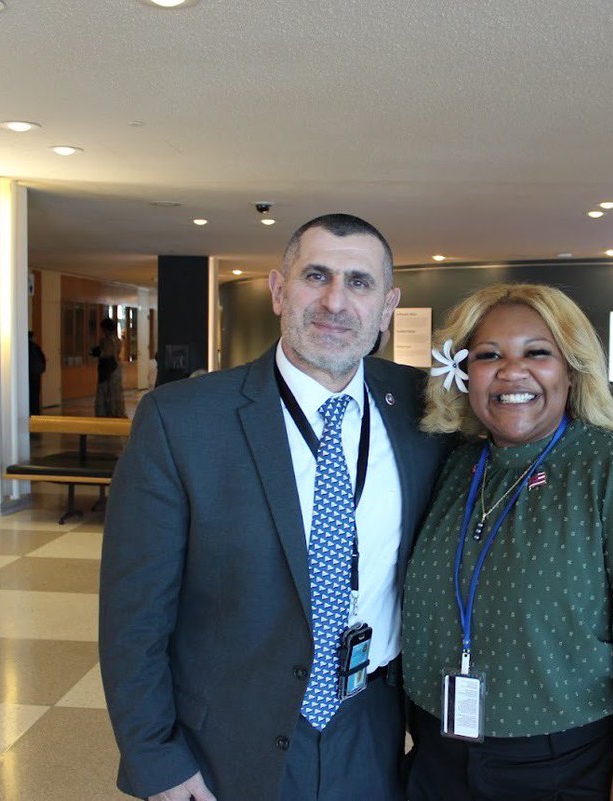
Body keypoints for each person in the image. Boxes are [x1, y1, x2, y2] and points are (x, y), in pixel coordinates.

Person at [99, 214, 449, 801]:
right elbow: (133, 618)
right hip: (225, 740)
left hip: (372, 726)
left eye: (359, 283)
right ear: (279, 290)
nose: (335, 301)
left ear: (387, 307)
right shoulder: (181, 420)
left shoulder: (423, 410)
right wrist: (156, 759)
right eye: (316, 276)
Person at [403, 283, 613, 801]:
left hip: (565, 769)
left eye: (537, 353)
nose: (511, 371)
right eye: (488, 355)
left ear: (572, 369)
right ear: (463, 372)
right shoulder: (454, 466)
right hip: (438, 761)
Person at [92, 317, 126, 418]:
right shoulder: (118, 340)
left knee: (105, 391)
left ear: (106, 328)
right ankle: (116, 412)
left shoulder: (107, 340)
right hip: (116, 367)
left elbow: (107, 353)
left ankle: (106, 412)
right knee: (115, 391)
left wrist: (97, 352)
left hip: (107, 368)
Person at [28, 331, 47, 415]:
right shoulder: (35, 347)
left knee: (29, 394)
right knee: (35, 394)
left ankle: (30, 411)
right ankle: (35, 412)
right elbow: (42, 359)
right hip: (35, 375)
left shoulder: (23, 346)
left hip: (28, 375)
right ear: (32, 338)